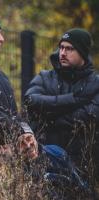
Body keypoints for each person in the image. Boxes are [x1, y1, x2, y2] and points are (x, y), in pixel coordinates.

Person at [24, 28, 99, 193]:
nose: (62, 53)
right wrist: (74, 99)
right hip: (46, 162)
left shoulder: (95, 83)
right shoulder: (45, 77)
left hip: (85, 165)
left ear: (83, 53)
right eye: (61, 47)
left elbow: (90, 116)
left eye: (70, 48)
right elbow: (31, 100)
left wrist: (50, 116)